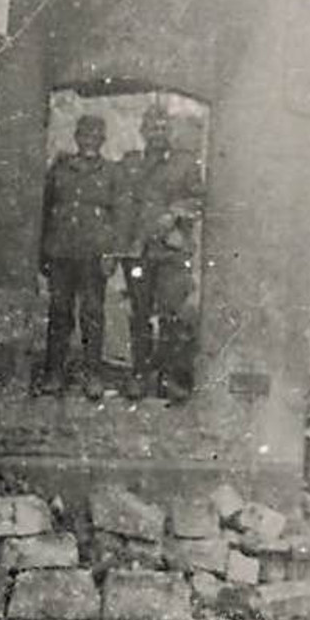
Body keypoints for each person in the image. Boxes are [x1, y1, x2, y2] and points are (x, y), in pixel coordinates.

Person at [118, 102, 205, 403]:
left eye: (163, 128)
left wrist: (174, 213)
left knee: (172, 314)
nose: (157, 133)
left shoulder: (185, 164)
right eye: (152, 127)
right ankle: (139, 374)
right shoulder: (131, 163)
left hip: (170, 253)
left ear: (170, 132)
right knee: (139, 314)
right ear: (142, 131)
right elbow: (121, 202)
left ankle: (169, 376)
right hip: (139, 252)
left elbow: (197, 201)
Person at [39, 114, 121, 399]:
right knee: (59, 312)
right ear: (77, 137)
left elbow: (118, 217)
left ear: (103, 139)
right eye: (85, 134)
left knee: (92, 314)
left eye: (96, 135)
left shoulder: (111, 173)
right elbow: (46, 209)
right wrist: (43, 251)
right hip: (61, 251)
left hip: (93, 255)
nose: (90, 139)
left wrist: (111, 253)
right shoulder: (59, 170)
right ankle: (53, 373)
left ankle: (93, 374)